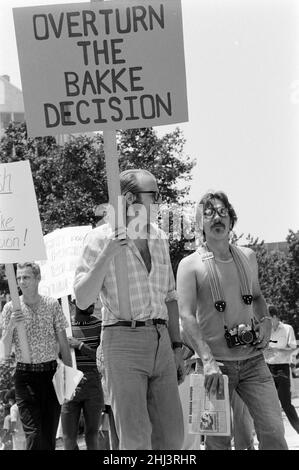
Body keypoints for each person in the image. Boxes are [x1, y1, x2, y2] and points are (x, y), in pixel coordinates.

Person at [74, 168, 185, 450]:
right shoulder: (99, 239)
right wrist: (109, 252)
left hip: (161, 340)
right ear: (129, 198)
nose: (159, 202)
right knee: (135, 439)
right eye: (154, 195)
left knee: (172, 437)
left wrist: (176, 347)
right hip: (123, 340)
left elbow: (170, 296)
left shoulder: (159, 237)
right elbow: (83, 299)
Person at [177, 190, 288, 450]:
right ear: (199, 223)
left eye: (222, 211)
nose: (217, 217)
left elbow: (259, 297)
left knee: (273, 431)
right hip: (213, 367)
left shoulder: (247, 256)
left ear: (231, 219)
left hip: (253, 362)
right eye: (209, 213)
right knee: (217, 443)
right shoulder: (189, 265)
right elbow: (186, 315)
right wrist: (208, 361)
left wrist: (266, 322)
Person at [1, 262, 72, 450]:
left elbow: (64, 345)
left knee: (48, 435)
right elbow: (5, 350)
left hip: (51, 375)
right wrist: (11, 327)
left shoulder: (51, 304)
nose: (22, 282)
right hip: (25, 377)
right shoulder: (10, 308)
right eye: (18, 278)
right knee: (34, 435)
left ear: (38, 278)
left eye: (26, 277)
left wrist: (70, 377)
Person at [61, 303, 104, 450]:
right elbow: (55, 355)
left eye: (93, 299)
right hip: (70, 382)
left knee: (92, 435)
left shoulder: (99, 324)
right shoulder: (65, 325)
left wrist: (80, 345)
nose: (92, 303)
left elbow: (102, 357)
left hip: (93, 382)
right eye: (88, 299)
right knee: (68, 439)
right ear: (74, 301)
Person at [264, 304, 299, 434]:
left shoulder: (287, 328)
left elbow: (293, 348)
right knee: (268, 405)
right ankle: (275, 435)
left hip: (282, 369)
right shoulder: (265, 331)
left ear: (274, 316)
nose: (265, 321)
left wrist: (276, 349)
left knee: (286, 404)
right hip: (267, 368)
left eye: (267, 318)